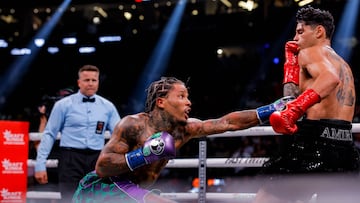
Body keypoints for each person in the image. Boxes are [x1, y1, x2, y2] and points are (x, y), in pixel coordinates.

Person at [72, 76, 294, 203]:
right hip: (107, 187)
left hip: (134, 192)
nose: (188, 102)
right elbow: (102, 167)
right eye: (181, 96)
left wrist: (270, 110)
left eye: (187, 97)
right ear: (161, 102)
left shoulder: (185, 129)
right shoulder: (133, 124)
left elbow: (227, 122)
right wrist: (144, 154)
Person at [252, 6, 360, 203]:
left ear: (319, 31)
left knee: (266, 200)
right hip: (343, 146)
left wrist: (294, 110)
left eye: (300, 31)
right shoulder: (344, 64)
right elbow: (289, 98)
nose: (295, 37)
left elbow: (329, 79)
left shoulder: (312, 52)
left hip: (312, 143)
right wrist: (291, 65)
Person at [34, 65, 121, 203]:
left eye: (94, 80)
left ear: (98, 82)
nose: (91, 83)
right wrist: (40, 164)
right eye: (87, 80)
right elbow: (50, 134)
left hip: (97, 159)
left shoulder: (108, 106)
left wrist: (122, 163)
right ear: (79, 82)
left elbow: (120, 135)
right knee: (69, 200)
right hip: (70, 159)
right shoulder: (63, 105)